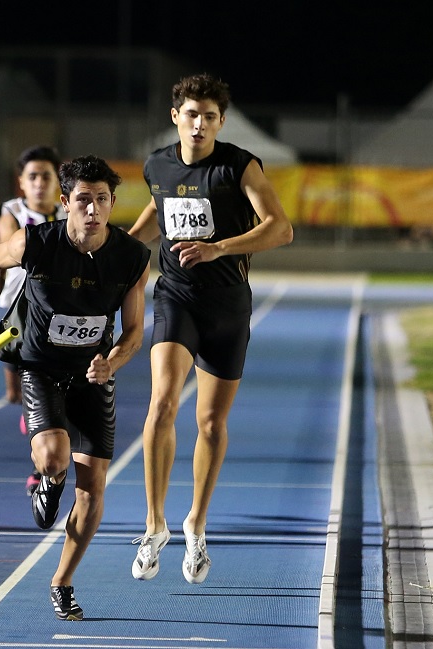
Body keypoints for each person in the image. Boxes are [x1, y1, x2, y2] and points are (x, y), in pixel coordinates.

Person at [0, 155, 150, 620]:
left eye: (102, 200)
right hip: (42, 367)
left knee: (93, 491)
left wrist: (113, 362)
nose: (93, 210)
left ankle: (62, 581)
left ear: (112, 204)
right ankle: (49, 479)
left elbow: (133, 332)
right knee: (54, 456)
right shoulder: (37, 242)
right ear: (65, 202)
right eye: (83, 200)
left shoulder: (130, 257)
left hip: (94, 375)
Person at [128, 73, 293, 584]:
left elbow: (281, 228)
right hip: (176, 299)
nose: (199, 124)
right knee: (161, 404)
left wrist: (219, 247)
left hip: (227, 306)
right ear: (175, 116)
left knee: (209, 424)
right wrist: (124, 252)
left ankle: (196, 521)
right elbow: (160, 209)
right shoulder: (157, 163)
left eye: (210, 117)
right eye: (191, 114)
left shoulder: (239, 166)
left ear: (221, 122)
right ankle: (154, 525)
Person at [0, 145, 68, 495]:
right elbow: (8, 252)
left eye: (46, 176)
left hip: (54, 314)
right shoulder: (11, 212)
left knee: (44, 392)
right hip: (17, 314)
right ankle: (38, 423)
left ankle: (40, 470)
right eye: (33, 176)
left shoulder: (66, 214)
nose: (40, 183)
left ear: (57, 182)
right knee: (16, 395)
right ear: (21, 183)